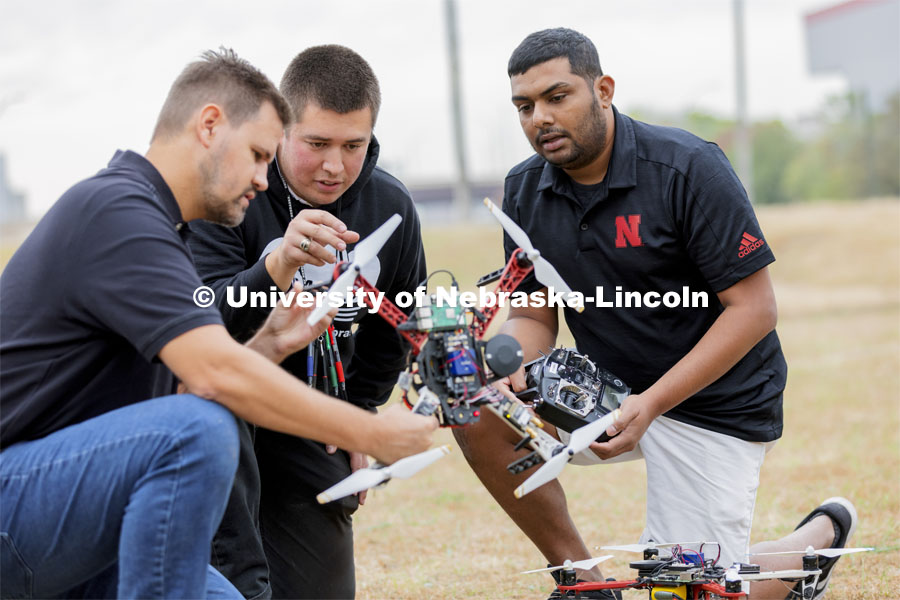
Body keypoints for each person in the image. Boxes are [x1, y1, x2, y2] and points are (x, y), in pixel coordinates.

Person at [0, 48, 436, 599]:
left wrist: (270, 344)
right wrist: (371, 432)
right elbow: (210, 381)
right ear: (209, 126)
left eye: (352, 146)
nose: (263, 178)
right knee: (194, 430)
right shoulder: (114, 212)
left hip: (85, 516)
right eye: (258, 154)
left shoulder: (161, 226)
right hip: (17, 507)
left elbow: (188, 384)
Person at [453, 28, 858, 600]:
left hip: (714, 402)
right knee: (478, 408)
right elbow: (535, 315)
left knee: (687, 592)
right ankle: (588, 585)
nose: (539, 117)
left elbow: (755, 309)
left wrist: (654, 404)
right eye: (524, 105)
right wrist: (513, 365)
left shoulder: (690, 168)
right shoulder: (524, 190)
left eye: (557, 96)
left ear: (604, 90)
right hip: (606, 395)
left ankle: (813, 545)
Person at [188, 45, 426, 599]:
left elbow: (394, 329)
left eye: (354, 146)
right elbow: (204, 320)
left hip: (310, 420)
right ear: (281, 128)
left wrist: (356, 414)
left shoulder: (390, 205)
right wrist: (276, 265)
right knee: (236, 576)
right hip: (220, 406)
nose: (335, 166)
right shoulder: (227, 192)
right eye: (316, 144)